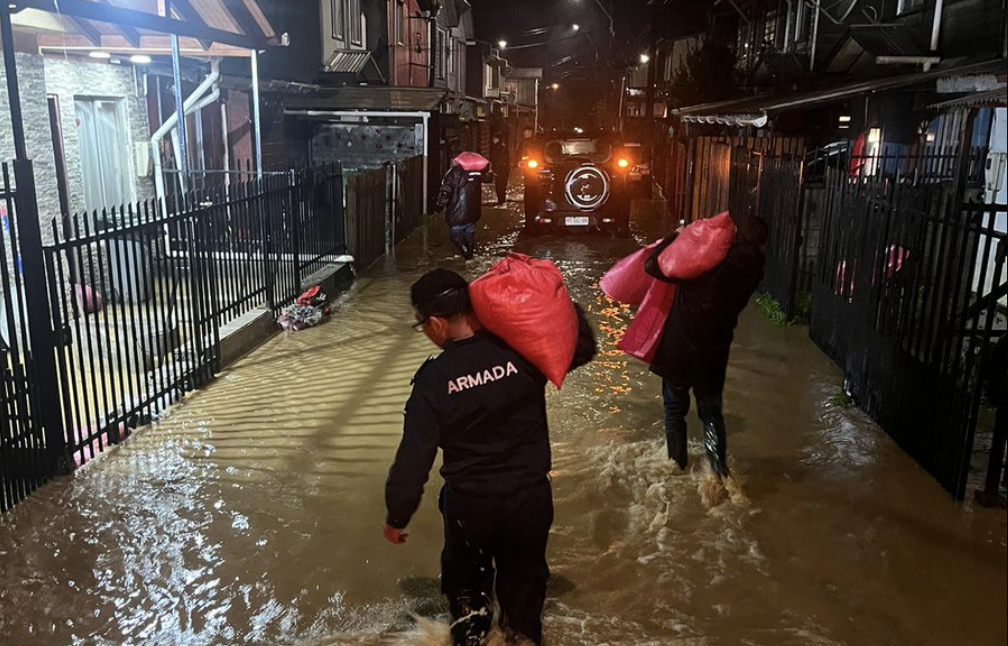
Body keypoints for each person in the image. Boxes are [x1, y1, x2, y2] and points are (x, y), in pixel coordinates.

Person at [384, 269, 596, 646]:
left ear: (436, 324)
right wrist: (559, 308)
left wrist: (397, 515)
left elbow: (413, 459)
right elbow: (582, 348)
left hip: (471, 506)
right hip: (529, 500)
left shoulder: (434, 380)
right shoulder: (521, 350)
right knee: (524, 597)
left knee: (467, 595)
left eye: (423, 326)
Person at [643, 216, 768, 480]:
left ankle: (676, 467)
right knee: (711, 412)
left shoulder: (705, 266)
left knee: (675, 410)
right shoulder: (754, 270)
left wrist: (674, 236)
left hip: (680, 349)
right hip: (714, 354)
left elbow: (652, 265)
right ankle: (717, 472)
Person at [436, 154, 487, 260]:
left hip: (458, 213)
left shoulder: (454, 173)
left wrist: (439, 205)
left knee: (455, 236)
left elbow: (446, 191)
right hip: (473, 213)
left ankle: (467, 256)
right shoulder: (476, 173)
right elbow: (488, 178)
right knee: (469, 235)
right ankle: (471, 255)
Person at [489, 134, 511, 205]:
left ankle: (501, 201)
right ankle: (501, 200)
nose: (493, 140)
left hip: (501, 170)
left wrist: (496, 170)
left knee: (500, 186)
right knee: (501, 186)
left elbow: (498, 160)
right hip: (502, 170)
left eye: (495, 139)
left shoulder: (499, 148)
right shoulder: (500, 147)